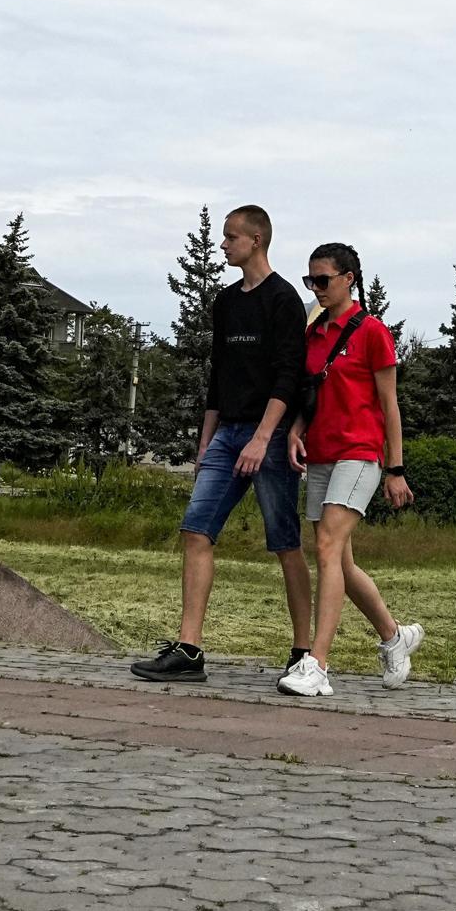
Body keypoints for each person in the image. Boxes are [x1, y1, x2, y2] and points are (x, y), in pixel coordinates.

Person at [129, 205, 311, 682]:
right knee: (196, 531)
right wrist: (205, 442)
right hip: (226, 435)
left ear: (256, 240)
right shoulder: (226, 302)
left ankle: (303, 652)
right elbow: (217, 378)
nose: (223, 245)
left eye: (231, 237)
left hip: (265, 437)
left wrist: (263, 437)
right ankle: (189, 651)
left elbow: (289, 377)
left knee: (285, 543)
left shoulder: (284, 299)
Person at [279, 244, 421, 697]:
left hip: (361, 454)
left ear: (349, 279)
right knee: (339, 558)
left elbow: (389, 405)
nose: (316, 289)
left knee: (325, 545)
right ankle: (395, 636)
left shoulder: (373, 332)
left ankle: (316, 664)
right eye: (310, 281)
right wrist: (295, 430)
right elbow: (311, 393)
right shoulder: (313, 332)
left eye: (323, 280)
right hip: (321, 453)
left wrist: (395, 468)